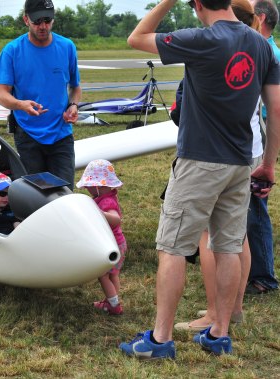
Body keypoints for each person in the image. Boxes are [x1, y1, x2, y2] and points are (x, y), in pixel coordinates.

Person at [120, 0, 280, 359]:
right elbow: (276, 106)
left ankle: (160, 340)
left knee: (173, 247)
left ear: (196, 4)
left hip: (199, 161)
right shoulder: (260, 44)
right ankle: (219, 333)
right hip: (241, 162)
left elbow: (136, 38)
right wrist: (268, 163)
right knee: (227, 246)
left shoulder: (200, 39)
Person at [173, 0, 261, 332]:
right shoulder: (259, 48)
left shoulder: (212, 46)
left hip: (212, 154)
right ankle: (233, 308)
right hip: (247, 151)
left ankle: (213, 313)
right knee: (238, 237)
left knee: (211, 236)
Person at [0, 0, 81, 190]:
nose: (43, 26)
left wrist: (73, 105)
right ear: (26, 20)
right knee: (34, 195)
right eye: (37, 21)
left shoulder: (67, 47)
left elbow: (75, 87)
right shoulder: (12, 51)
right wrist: (21, 104)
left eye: (47, 20)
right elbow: (2, 94)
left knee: (64, 193)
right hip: (27, 134)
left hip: (61, 134)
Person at [246, 0, 279, 294]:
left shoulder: (267, 51)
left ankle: (263, 276)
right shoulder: (264, 47)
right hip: (260, 128)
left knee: (256, 206)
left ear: (260, 18)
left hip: (263, 130)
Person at [76, 159, 127, 315]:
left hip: (112, 246)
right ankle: (113, 300)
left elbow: (116, 219)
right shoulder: (105, 198)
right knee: (112, 275)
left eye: (89, 187)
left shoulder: (106, 202)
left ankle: (113, 305)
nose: (87, 189)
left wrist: (99, 213)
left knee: (102, 275)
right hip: (118, 244)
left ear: (98, 186)